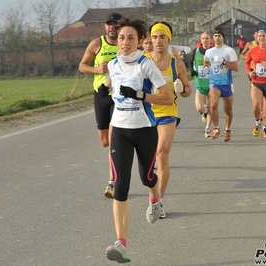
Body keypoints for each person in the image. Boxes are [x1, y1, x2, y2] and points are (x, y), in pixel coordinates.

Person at [103, 17, 173, 263]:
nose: (125, 42)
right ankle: (121, 244)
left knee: (147, 177)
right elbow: (111, 87)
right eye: (122, 37)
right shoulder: (112, 65)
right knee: (120, 186)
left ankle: (155, 197)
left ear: (139, 41)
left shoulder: (146, 65)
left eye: (131, 38)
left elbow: (167, 98)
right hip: (120, 130)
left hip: (144, 129)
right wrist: (105, 91)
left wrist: (142, 95)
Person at [145, 21, 192, 219]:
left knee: (162, 154)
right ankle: (154, 196)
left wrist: (183, 89)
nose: (158, 41)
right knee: (148, 161)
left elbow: (188, 91)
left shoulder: (176, 62)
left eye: (162, 37)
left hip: (167, 111)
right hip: (146, 113)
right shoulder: (143, 61)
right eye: (154, 37)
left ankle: (159, 202)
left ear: (168, 39)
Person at [78, 13, 122, 198]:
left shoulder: (125, 43)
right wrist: (97, 69)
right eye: (109, 24)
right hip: (101, 94)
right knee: (105, 142)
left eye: (115, 24)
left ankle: (112, 182)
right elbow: (82, 65)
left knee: (113, 141)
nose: (112, 27)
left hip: (119, 97)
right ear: (105, 27)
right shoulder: (97, 44)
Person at [204, 27, 239, 142]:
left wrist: (224, 62)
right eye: (215, 36)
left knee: (227, 109)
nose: (217, 38)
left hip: (227, 83)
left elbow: (236, 67)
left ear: (223, 37)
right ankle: (216, 127)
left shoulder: (229, 51)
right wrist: (206, 65)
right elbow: (206, 62)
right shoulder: (209, 51)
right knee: (213, 105)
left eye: (219, 35)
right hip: (215, 83)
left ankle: (227, 129)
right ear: (213, 38)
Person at [189, 32, 213, 137]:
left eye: (207, 38)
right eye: (203, 38)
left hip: (212, 83)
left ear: (210, 40)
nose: (205, 40)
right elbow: (190, 62)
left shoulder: (214, 51)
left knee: (212, 107)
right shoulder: (196, 51)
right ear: (201, 40)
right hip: (200, 82)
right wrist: (191, 71)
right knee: (199, 107)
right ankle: (204, 112)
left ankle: (207, 129)